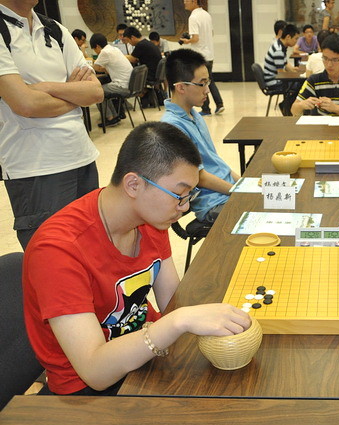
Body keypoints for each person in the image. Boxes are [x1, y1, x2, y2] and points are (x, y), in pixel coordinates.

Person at [23, 122, 251, 396]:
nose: (185, 206)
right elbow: (95, 372)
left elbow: (172, 302)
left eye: (189, 195)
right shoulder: (58, 250)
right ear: (134, 184)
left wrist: (191, 316)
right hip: (87, 391)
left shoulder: (150, 219)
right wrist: (177, 322)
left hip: (145, 357)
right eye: (179, 195)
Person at [0, 1, 101, 249]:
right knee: (52, 255)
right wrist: (73, 94)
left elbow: (95, 92)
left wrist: (45, 88)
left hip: (82, 156)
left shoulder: (54, 28)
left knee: (91, 248)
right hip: (36, 167)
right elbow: (26, 104)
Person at [161, 49, 240, 223]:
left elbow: (215, 161)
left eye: (208, 82)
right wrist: (239, 191)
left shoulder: (193, 114)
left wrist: (243, 183)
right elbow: (200, 177)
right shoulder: (172, 127)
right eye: (202, 84)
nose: (207, 90)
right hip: (213, 203)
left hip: (226, 192)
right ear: (181, 87)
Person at [291, 35, 339, 116]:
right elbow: (294, 110)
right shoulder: (314, 80)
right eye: (325, 58)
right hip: (322, 124)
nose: (329, 64)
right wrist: (301, 105)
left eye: (335, 60)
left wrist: (334, 108)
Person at [179, 0, 225, 116]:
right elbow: (211, 33)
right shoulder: (206, 14)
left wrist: (186, 41)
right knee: (209, 80)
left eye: (187, 0)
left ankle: (206, 108)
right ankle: (219, 104)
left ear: (194, 1)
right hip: (209, 54)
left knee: (200, 82)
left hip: (199, 56)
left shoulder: (193, 17)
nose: (184, 3)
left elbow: (195, 39)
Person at [90, 33, 133, 127]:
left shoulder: (104, 52)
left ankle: (110, 118)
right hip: (130, 84)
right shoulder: (114, 49)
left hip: (122, 86)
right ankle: (114, 116)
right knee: (103, 88)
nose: (95, 52)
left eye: (94, 49)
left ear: (97, 46)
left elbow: (95, 67)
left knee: (97, 91)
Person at [263, 23, 300, 116]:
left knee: (300, 82)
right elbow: (281, 74)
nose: (296, 42)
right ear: (288, 37)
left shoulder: (280, 45)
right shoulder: (278, 50)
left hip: (275, 79)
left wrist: (294, 70)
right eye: (295, 39)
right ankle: (285, 106)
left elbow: (285, 63)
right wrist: (295, 75)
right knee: (301, 85)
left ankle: (286, 105)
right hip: (273, 82)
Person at [123, 26, 162, 108]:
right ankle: (145, 93)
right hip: (156, 74)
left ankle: (143, 92)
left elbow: (132, 59)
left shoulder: (140, 45)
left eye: (128, 40)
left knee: (126, 78)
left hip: (150, 75)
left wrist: (120, 55)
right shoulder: (146, 42)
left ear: (132, 37)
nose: (129, 43)